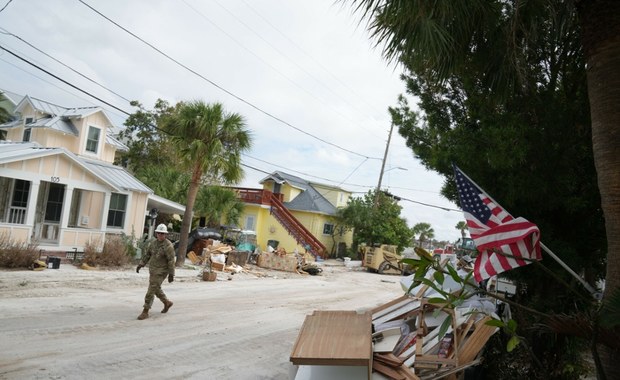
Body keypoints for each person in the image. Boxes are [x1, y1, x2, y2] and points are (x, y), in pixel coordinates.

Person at [135, 223, 175, 320]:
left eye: (162, 233)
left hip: (162, 271)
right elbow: (148, 255)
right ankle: (167, 302)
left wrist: (171, 274)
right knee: (155, 288)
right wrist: (141, 264)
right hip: (153, 270)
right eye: (158, 233)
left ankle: (145, 311)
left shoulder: (168, 246)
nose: (160, 235)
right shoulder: (153, 243)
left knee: (151, 289)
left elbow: (171, 260)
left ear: (165, 234)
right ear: (156, 233)